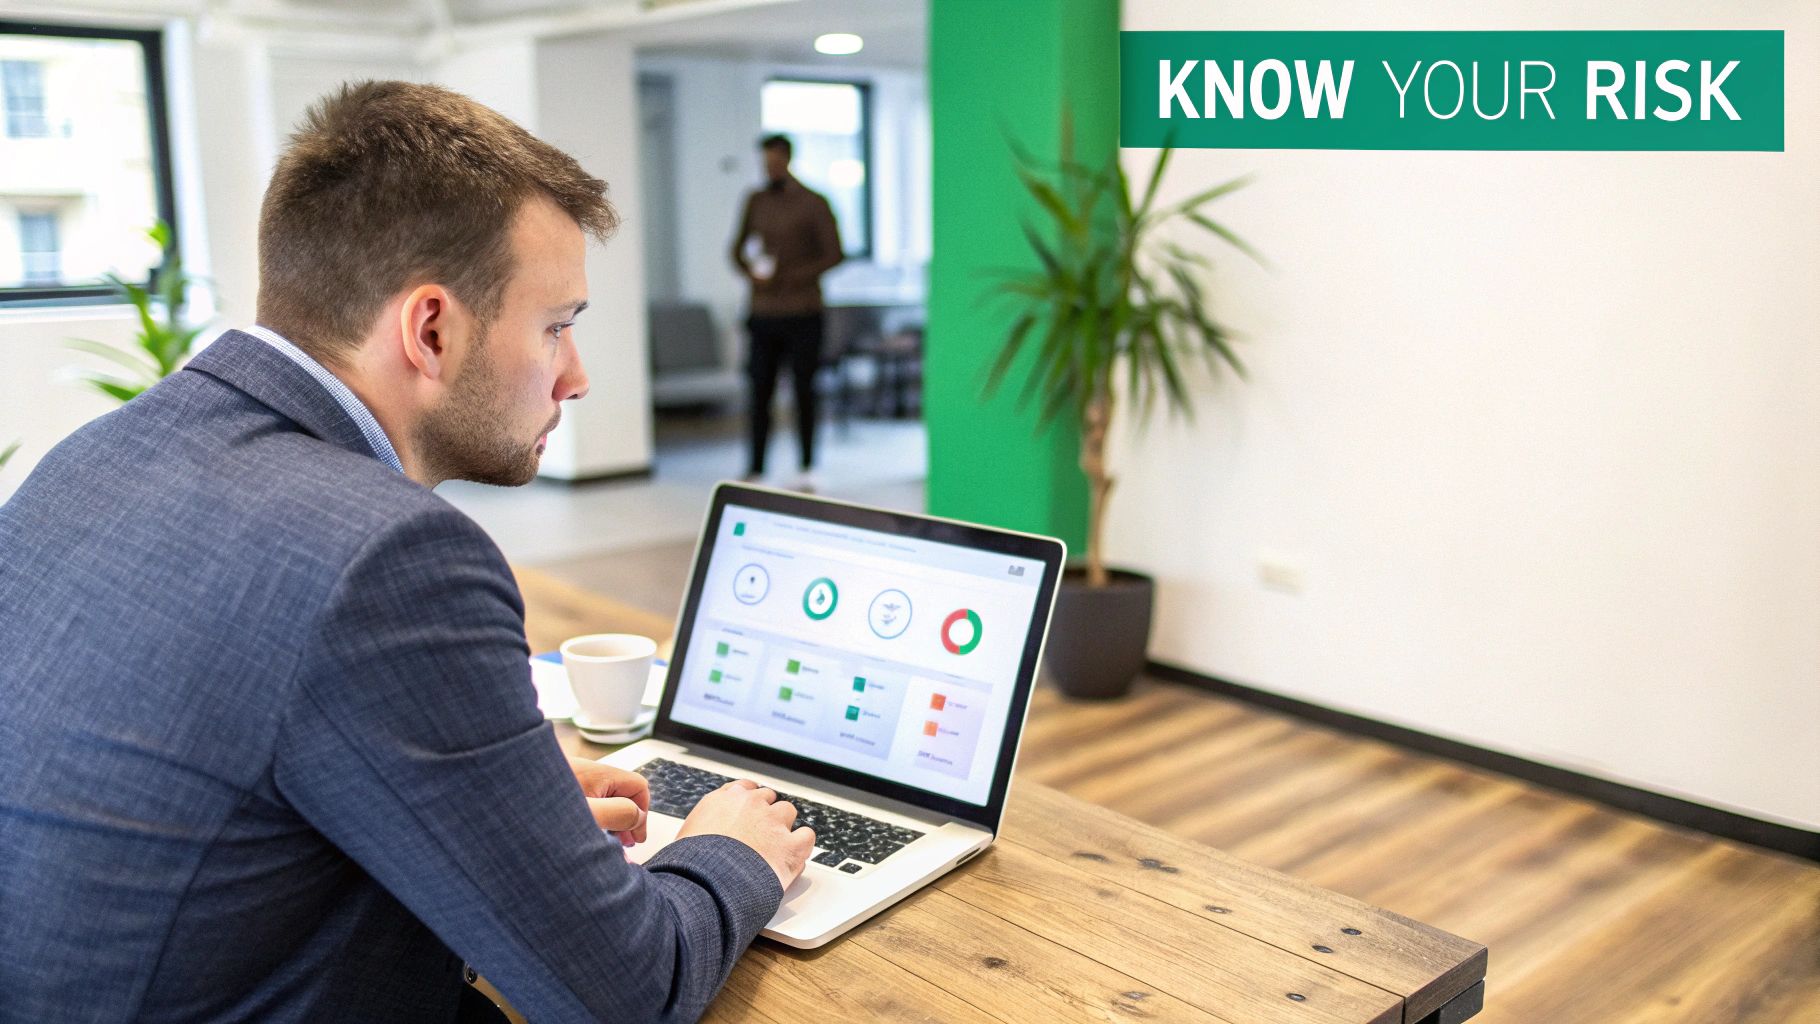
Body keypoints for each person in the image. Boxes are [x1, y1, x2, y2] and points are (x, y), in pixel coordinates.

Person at [0, 81, 813, 1024]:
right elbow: (625, 993)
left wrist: (501, 818)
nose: (577, 376)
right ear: (431, 329)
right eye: (557, 326)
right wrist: (728, 852)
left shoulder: (97, 451)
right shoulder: (390, 559)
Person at [729, 134, 843, 491]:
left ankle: (808, 463)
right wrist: (753, 273)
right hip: (764, 311)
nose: (769, 167)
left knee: (804, 389)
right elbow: (736, 249)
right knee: (759, 389)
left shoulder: (813, 203)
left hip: (802, 311)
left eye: (774, 160)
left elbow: (834, 253)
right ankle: (756, 466)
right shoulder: (756, 200)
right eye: (764, 161)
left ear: (787, 158)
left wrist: (792, 276)